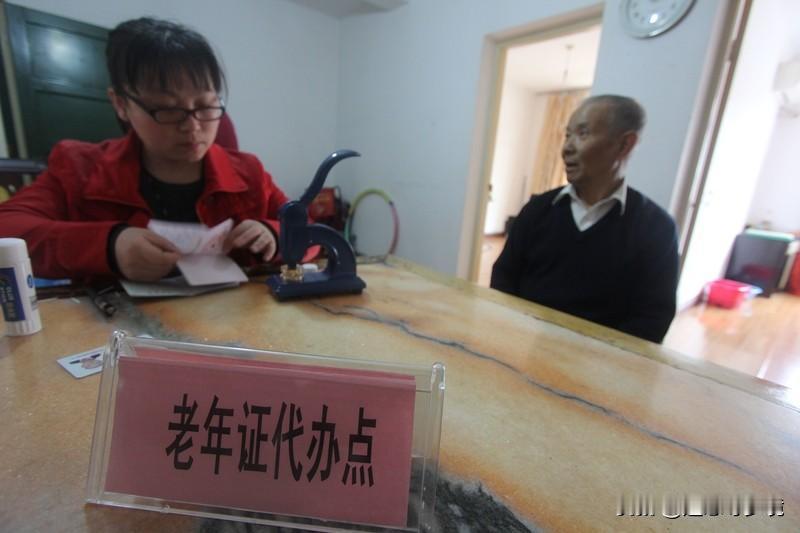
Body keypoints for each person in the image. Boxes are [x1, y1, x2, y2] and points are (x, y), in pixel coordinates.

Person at [0, 17, 287, 282]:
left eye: (205, 105)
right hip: (117, 318)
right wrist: (109, 245)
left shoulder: (248, 173)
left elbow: (306, 228)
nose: (192, 127)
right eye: (167, 109)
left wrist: (273, 233)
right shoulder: (80, 169)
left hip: (232, 317)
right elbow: (7, 229)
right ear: (121, 104)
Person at [491, 95, 678, 343]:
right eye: (567, 135)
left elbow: (653, 319)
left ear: (625, 144)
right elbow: (504, 276)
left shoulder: (656, 228)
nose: (567, 148)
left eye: (582, 134)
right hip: (523, 344)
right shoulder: (538, 209)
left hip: (600, 361)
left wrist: (590, 356)